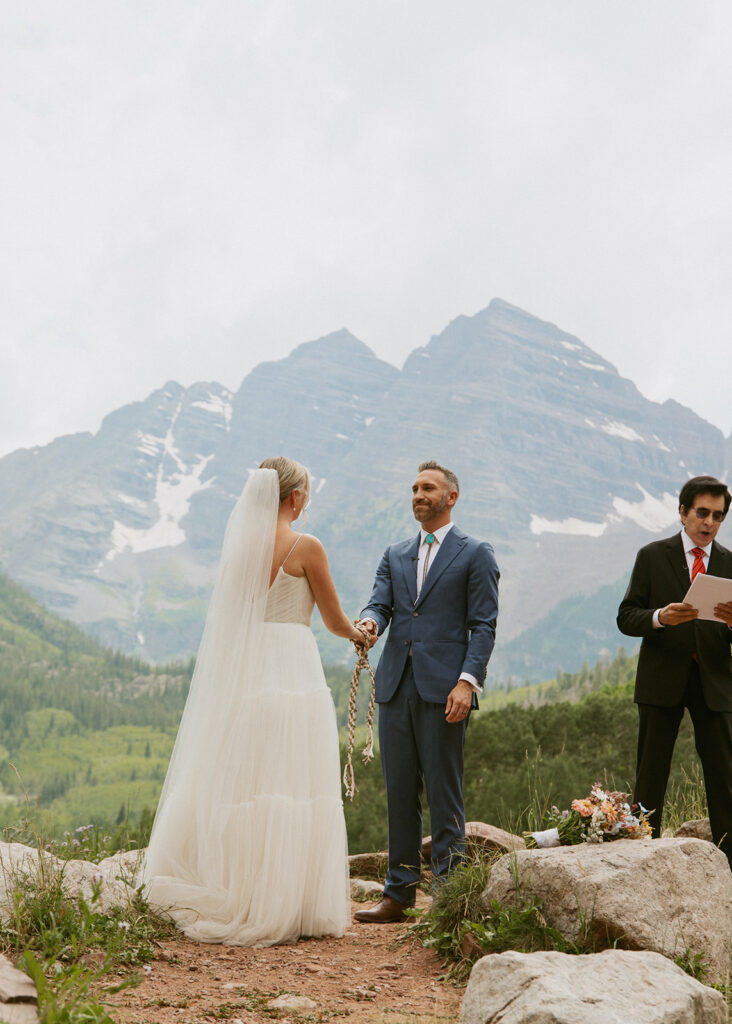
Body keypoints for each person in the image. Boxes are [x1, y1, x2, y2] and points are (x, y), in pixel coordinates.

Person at [143, 457, 366, 944]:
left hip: (247, 670)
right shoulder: (306, 546)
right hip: (290, 664)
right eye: (306, 492)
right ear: (295, 497)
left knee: (247, 780)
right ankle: (284, 901)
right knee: (292, 780)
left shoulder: (240, 549)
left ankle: (234, 886)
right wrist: (361, 635)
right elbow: (333, 620)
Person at [353, 460, 500, 922]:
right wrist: (371, 623)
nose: (418, 494)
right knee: (399, 791)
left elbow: (483, 626)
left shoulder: (476, 553)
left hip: (446, 690)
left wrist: (466, 681)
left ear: (450, 497)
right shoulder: (395, 553)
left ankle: (450, 895)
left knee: (443, 791)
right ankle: (398, 894)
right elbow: (380, 602)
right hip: (396, 685)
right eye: (415, 488)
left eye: (428, 488)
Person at [617, 474, 732, 866]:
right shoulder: (652, 555)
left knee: (725, 777)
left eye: (718, 515)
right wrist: (660, 617)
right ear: (683, 513)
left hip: (715, 684)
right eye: (702, 513)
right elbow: (626, 617)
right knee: (650, 776)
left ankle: (728, 863)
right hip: (661, 682)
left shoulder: (730, 562)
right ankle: (639, 860)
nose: (710, 522)